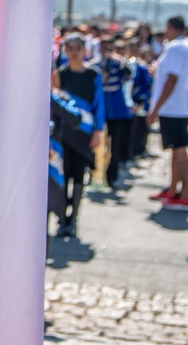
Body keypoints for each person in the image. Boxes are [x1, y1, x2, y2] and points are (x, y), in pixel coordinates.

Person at [51, 34, 104, 237]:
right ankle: (62, 219)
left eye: (78, 48)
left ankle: (73, 220)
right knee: (63, 175)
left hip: (85, 134)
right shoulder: (60, 74)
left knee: (79, 176)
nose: (74, 52)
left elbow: (99, 104)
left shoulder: (93, 75)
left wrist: (97, 131)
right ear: (64, 51)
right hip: (63, 134)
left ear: (85, 50)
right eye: (70, 48)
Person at [146, 16, 188, 211]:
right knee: (176, 151)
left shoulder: (176, 47)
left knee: (180, 151)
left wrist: (156, 108)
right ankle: (173, 189)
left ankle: (184, 195)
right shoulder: (187, 45)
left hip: (173, 108)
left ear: (169, 27)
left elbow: (172, 80)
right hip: (179, 107)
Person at [100, 37, 132, 187]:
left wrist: (120, 61)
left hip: (117, 110)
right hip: (101, 110)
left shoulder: (118, 64)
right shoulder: (96, 65)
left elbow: (129, 74)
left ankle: (112, 175)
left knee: (115, 144)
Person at [127, 38, 153, 159]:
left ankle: (139, 150)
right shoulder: (125, 64)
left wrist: (140, 101)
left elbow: (145, 85)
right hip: (126, 103)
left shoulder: (142, 67)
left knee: (140, 127)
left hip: (138, 102)